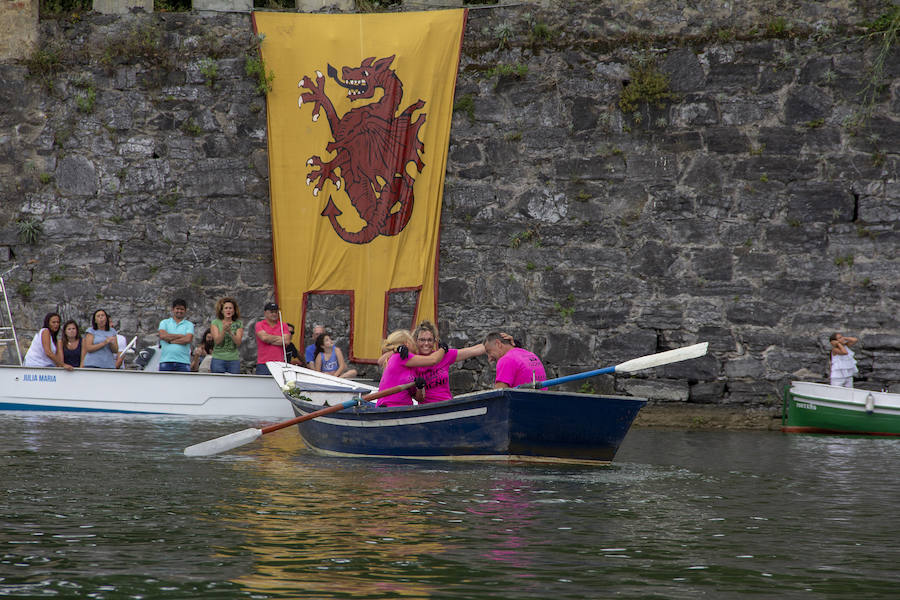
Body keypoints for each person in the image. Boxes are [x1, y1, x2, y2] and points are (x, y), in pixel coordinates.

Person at [411, 320, 485, 403]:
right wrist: (420, 388)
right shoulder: (411, 361)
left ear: (435, 341)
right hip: (427, 409)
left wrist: (498, 340)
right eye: (422, 340)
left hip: (447, 405)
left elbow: (474, 350)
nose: (426, 343)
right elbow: (417, 398)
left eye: (430, 340)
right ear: (416, 341)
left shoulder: (444, 355)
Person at [376, 329, 446, 407]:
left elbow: (420, 399)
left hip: (404, 408)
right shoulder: (400, 357)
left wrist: (420, 388)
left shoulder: (412, 368)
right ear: (407, 343)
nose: (415, 344)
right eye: (412, 341)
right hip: (389, 407)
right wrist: (442, 349)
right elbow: (434, 360)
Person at [157, 299, 194, 372]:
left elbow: (188, 339)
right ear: (173, 309)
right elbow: (163, 336)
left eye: (182, 309)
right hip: (166, 360)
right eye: (177, 309)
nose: (179, 311)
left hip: (183, 362)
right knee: (164, 383)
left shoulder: (189, 324)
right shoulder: (164, 322)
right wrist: (181, 335)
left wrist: (170, 341)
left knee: (183, 383)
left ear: (185, 310)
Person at [254, 302, 291, 375]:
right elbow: (264, 338)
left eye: (276, 312)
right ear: (265, 313)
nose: (274, 314)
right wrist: (280, 338)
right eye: (271, 312)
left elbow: (286, 341)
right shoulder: (259, 324)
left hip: (279, 363)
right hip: (264, 363)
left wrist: (269, 339)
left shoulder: (283, 325)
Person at [210, 297, 244, 374]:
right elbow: (217, 341)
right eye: (226, 308)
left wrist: (230, 332)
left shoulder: (238, 323)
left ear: (234, 310)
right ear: (222, 311)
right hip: (218, 358)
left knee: (234, 383)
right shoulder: (215, 323)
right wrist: (224, 330)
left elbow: (238, 342)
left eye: (230, 308)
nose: (228, 310)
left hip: (233, 359)